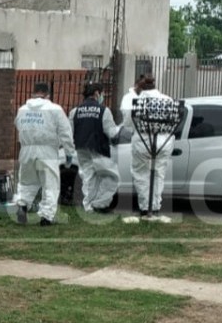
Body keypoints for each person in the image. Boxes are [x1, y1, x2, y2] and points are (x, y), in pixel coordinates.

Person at [13, 82, 76, 226]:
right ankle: (46, 217)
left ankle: (22, 206)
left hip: (26, 150)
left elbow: (18, 125)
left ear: (33, 93)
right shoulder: (55, 109)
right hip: (47, 151)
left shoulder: (22, 109)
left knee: (27, 182)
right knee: (50, 185)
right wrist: (69, 152)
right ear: (48, 95)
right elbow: (65, 132)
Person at [121, 74, 176, 218]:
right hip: (164, 142)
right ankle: (156, 206)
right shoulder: (167, 100)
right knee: (158, 174)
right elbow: (174, 121)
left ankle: (145, 207)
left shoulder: (136, 101)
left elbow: (128, 124)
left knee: (141, 174)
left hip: (143, 141)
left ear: (140, 87)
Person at [69, 83, 121, 212]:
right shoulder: (104, 110)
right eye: (102, 93)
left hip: (81, 147)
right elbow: (111, 132)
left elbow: (69, 131)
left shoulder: (74, 111)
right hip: (98, 148)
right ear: (97, 93)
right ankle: (100, 204)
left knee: (88, 177)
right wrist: (120, 130)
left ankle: (88, 206)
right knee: (111, 177)